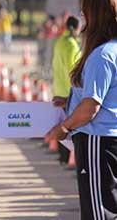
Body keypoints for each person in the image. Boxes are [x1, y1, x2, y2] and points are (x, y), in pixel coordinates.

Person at [45, 0, 117, 220]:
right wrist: (70, 101)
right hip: (109, 140)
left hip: (98, 141)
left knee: (98, 212)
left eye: (85, 12)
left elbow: (91, 107)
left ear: (95, 15)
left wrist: (63, 128)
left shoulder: (102, 55)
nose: (82, 18)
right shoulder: (112, 51)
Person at [51, 15, 81, 165]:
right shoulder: (72, 45)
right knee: (69, 126)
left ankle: (62, 156)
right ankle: (68, 158)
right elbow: (74, 69)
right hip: (68, 91)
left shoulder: (60, 42)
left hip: (58, 88)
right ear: (76, 28)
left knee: (61, 123)